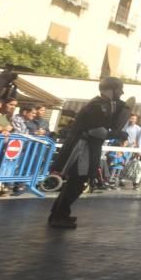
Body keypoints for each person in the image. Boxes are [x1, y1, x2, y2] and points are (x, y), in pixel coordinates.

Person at [47, 78, 129, 229]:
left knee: (76, 182)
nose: (122, 92)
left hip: (85, 146)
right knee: (77, 181)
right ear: (111, 89)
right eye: (120, 88)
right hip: (82, 148)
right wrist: (117, 134)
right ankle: (58, 216)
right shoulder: (99, 106)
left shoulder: (101, 105)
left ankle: (58, 213)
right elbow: (96, 131)